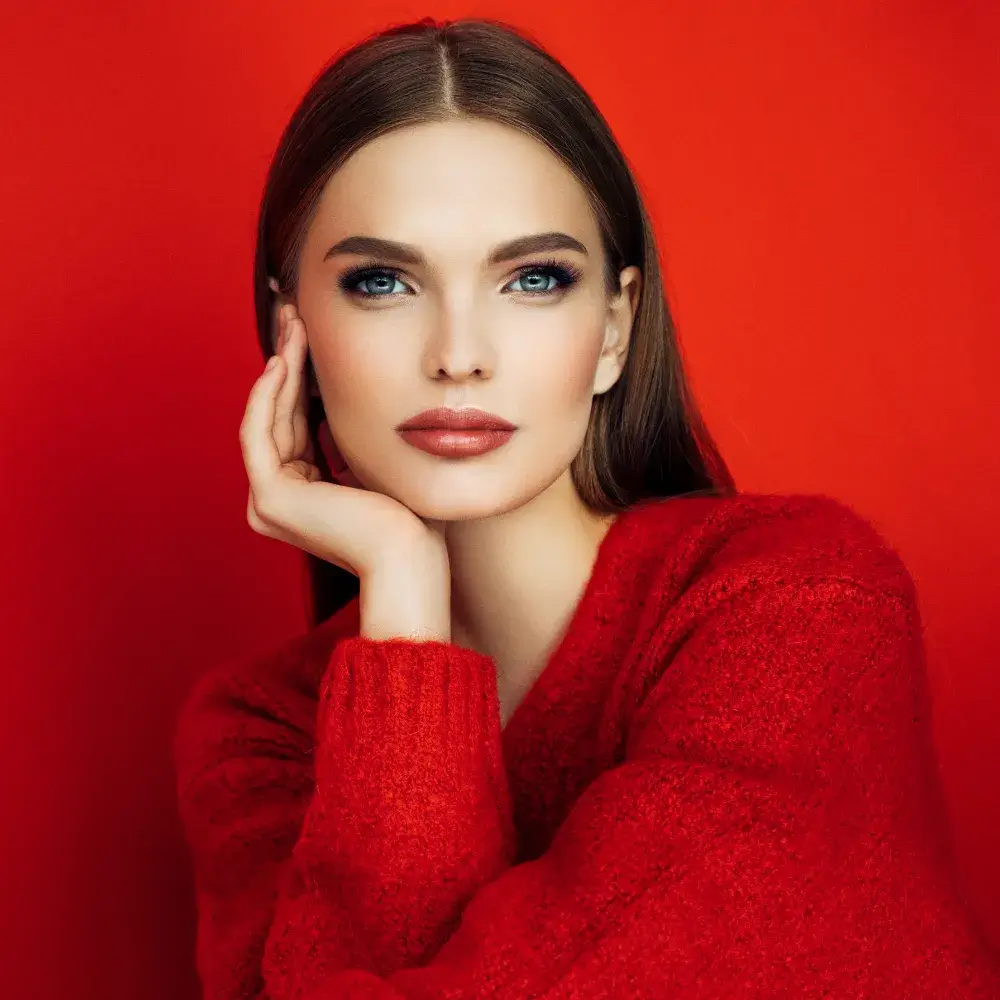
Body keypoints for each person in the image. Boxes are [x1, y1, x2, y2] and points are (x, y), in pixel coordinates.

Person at [172, 16, 1000, 999]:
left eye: (533, 278)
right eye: (382, 281)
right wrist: (402, 596)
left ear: (613, 329)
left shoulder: (797, 602)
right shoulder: (260, 729)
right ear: (290, 326)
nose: (459, 351)